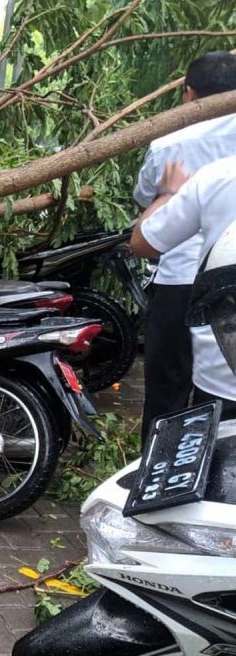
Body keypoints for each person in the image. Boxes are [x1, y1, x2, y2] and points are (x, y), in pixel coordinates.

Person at [133, 51, 236, 439]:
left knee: (166, 394)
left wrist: (167, 194)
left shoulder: (168, 143)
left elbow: (145, 208)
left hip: (178, 279)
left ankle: (159, 464)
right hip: (226, 288)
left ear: (189, 93)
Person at [132, 154, 236, 418]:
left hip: (222, 371)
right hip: (220, 363)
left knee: (167, 398)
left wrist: (167, 194)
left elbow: (143, 242)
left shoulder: (217, 175)